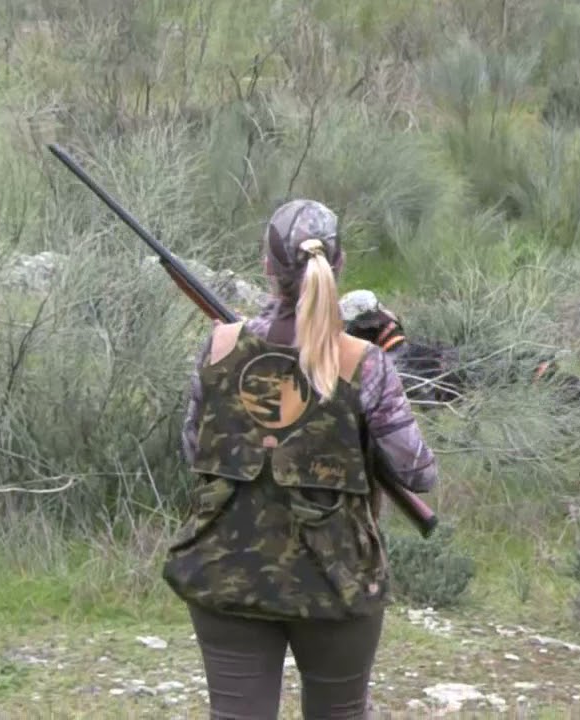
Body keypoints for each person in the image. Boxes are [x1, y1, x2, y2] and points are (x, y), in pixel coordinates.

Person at [163, 199, 439, 719]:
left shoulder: (219, 347)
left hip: (227, 571)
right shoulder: (364, 363)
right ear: (338, 265)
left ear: (267, 266)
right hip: (336, 579)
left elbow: (194, 452)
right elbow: (418, 472)